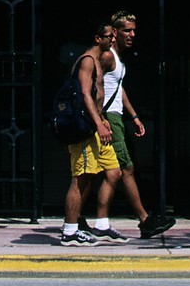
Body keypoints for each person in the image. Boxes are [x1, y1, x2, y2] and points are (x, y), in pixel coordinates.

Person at [83, 10, 175, 240]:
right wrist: (100, 117)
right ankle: (144, 220)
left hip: (115, 117)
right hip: (108, 118)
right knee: (125, 169)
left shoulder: (117, 57)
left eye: (134, 30)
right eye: (127, 30)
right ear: (114, 32)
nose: (132, 35)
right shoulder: (107, 56)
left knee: (107, 172)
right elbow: (94, 84)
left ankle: (88, 221)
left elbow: (117, 87)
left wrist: (133, 116)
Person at [60, 22, 119, 245]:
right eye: (109, 36)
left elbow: (97, 95)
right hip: (85, 127)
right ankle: (70, 230)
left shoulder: (98, 60)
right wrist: (98, 123)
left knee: (113, 172)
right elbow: (85, 94)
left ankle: (101, 225)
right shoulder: (86, 60)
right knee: (81, 178)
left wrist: (102, 119)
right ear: (97, 38)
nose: (113, 40)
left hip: (96, 124)